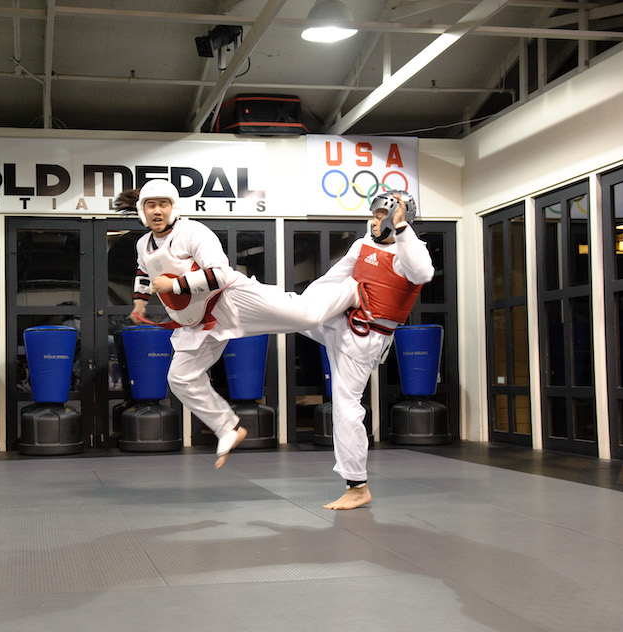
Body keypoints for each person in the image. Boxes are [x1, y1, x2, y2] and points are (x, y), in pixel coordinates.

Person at [119, 179, 359, 469]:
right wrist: (140, 302)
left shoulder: (192, 232)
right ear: (142, 210)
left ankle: (351, 291)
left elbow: (219, 274)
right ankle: (227, 428)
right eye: (150, 205)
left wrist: (175, 284)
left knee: (307, 316)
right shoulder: (143, 244)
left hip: (233, 298)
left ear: (174, 207)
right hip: (202, 322)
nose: (157, 211)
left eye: (163, 204)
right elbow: (144, 273)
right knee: (181, 378)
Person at [302, 190, 435, 510]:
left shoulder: (410, 252)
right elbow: (330, 280)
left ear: (396, 220)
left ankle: (357, 486)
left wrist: (403, 229)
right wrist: (306, 307)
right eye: (373, 215)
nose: (373, 221)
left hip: (365, 340)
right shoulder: (361, 245)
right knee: (301, 308)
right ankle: (239, 310)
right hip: (341, 326)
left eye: (380, 216)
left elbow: (423, 274)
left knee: (346, 406)